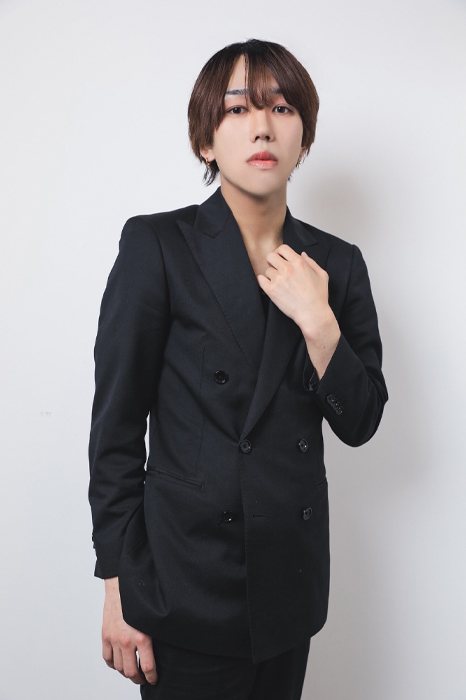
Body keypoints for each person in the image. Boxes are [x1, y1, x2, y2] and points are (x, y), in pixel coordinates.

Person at [88, 39, 388, 700]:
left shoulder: (337, 265)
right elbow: (115, 432)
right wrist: (117, 585)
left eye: (281, 107)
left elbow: (362, 421)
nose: (261, 126)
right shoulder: (157, 246)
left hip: (289, 588)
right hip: (183, 585)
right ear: (206, 141)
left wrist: (320, 323)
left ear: (303, 138)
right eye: (237, 109)